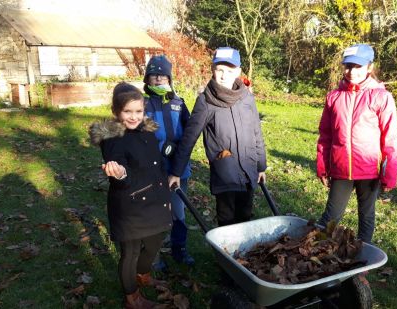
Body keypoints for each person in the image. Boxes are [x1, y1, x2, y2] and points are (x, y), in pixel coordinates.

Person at [89, 82, 172, 308]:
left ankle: (142, 274)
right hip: (130, 203)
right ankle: (132, 298)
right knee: (131, 252)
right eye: (127, 112)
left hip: (155, 199)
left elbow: (156, 165)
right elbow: (119, 166)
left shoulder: (147, 131)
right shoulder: (113, 138)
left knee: (155, 241)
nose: (134, 117)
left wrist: (166, 190)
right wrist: (120, 172)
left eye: (138, 111)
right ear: (116, 112)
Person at [168, 47, 267, 227]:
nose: (224, 75)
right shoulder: (206, 101)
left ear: (237, 71)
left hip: (249, 166)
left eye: (229, 71)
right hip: (225, 169)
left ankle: (242, 255)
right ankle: (225, 253)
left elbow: (256, 132)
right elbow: (189, 138)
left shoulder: (246, 98)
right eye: (220, 70)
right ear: (213, 70)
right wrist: (176, 172)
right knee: (227, 218)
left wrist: (261, 166)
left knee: (245, 214)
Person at [316, 43, 397, 244]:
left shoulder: (381, 97)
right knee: (330, 218)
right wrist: (322, 165)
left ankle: (363, 263)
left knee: (366, 217)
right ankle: (316, 254)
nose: (351, 71)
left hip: (369, 170)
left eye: (358, 67)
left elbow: (390, 138)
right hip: (341, 168)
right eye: (348, 66)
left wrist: (389, 174)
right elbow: (325, 135)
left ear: (369, 67)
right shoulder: (334, 97)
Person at [143, 55, 195, 269]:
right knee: (153, 212)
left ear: (169, 78)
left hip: (177, 168)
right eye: (154, 76)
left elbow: (189, 133)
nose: (158, 80)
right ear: (147, 79)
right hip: (152, 170)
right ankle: (152, 254)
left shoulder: (178, 103)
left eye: (163, 76)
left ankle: (179, 248)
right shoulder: (142, 104)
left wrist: (177, 152)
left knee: (178, 212)